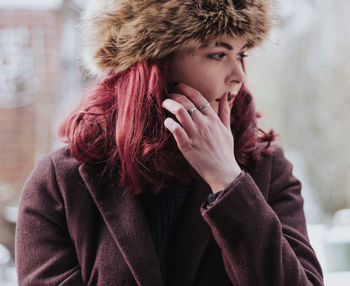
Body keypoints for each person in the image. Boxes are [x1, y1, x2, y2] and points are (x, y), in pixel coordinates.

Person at [15, 0, 324, 285]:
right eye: (218, 54)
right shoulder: (61, 183)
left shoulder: (266, 170)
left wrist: (228, 182)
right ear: (155, 62)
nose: (237, 76)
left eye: (242, 54)